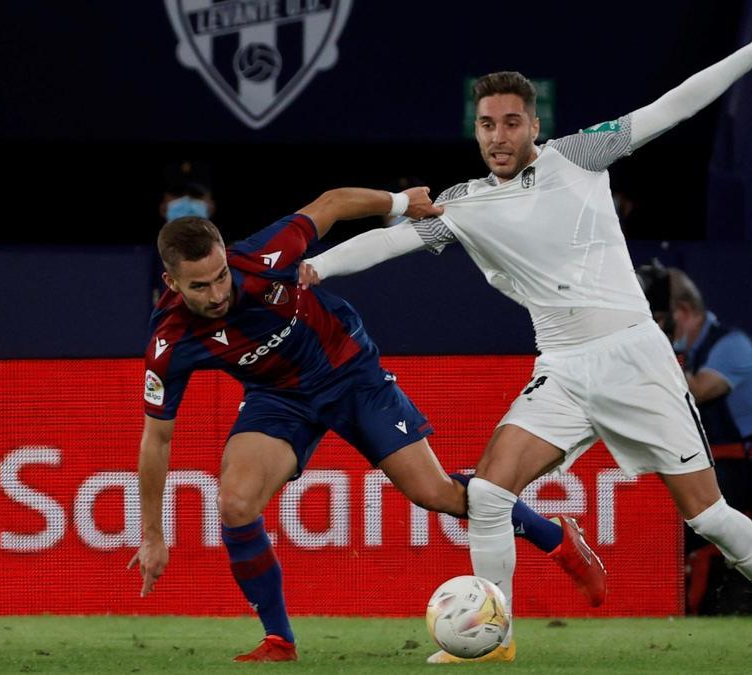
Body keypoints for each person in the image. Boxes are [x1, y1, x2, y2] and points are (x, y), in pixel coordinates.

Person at [302, 20, 752, 665]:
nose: (499, 135)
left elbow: (669, 108)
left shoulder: (578, 157)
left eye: (512, 122)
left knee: (708, 516)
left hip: (635, 357)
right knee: (491, 494)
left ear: (533, 125)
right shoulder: (461, 205)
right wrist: (312, 268)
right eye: (487, 124)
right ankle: (495, 639)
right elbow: (392, 239)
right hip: (563, 368)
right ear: (477, 130)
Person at [127, 187, 607, 663]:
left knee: (435, 494)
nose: (217, 294)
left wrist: (400, 203)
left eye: (220, 277)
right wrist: (152, 532)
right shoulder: (170, 343)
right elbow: (157, 439)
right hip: (279, 398)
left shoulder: (262, 257)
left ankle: (556, 538)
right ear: (171, 282)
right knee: (234, 503)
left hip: (350, 372)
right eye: (200, 287)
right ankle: (279, 641)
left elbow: (331, 204)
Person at [644, 266, 752, 526]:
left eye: (660, 319)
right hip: (707, 465)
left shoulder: (732, 346)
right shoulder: (692, 352)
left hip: (743, 472)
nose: (656, 328)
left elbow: (692, 392)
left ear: (683, 312)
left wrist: (652, 347)